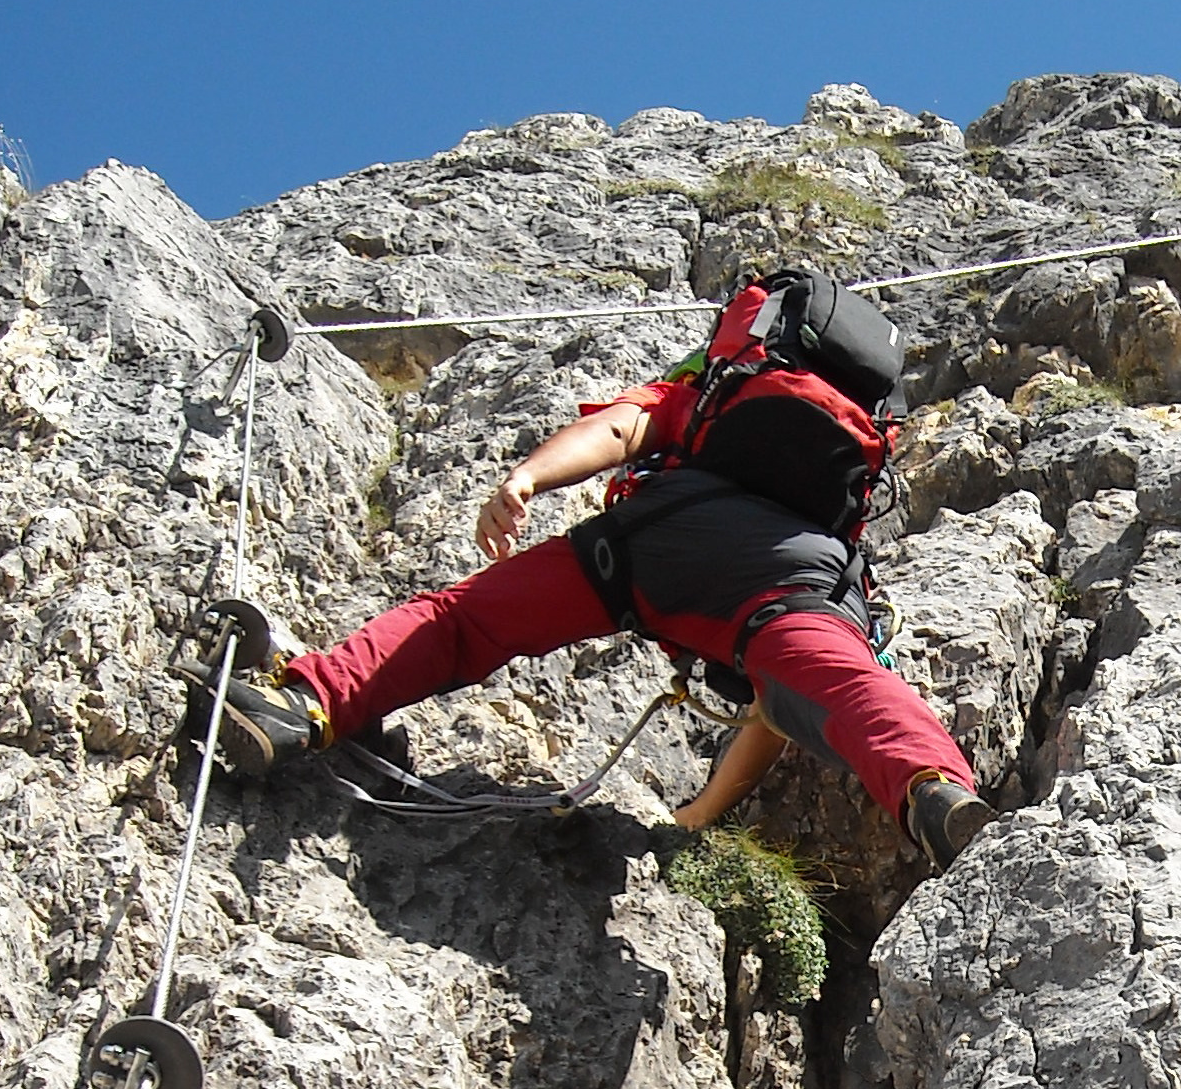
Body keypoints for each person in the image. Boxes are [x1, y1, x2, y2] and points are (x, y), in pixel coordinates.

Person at [203, 304, 995, 875]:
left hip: (653, 544)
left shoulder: (707, 392)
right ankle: (932, 787)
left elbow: (622, 429)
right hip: (788, 580)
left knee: (466, 621)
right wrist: (698, 817)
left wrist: (527, 478)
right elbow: (779, 708)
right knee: (850, 686)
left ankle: (302, 705)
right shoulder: (836, 492)